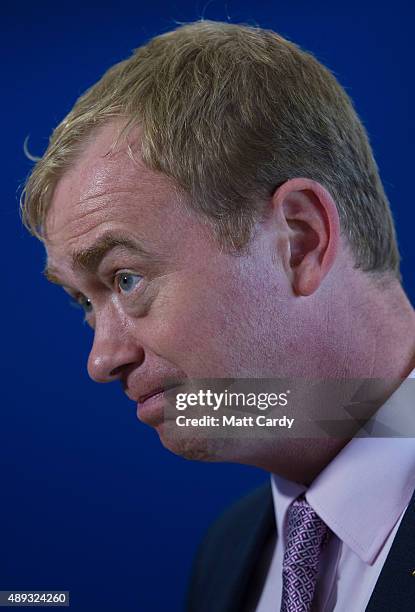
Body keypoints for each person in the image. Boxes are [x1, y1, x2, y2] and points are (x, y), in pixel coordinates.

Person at [20, 20, 414, 612]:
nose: (102, 360)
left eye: (126, 279)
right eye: (85, 303)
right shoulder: (226, 554)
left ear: (299, 240)